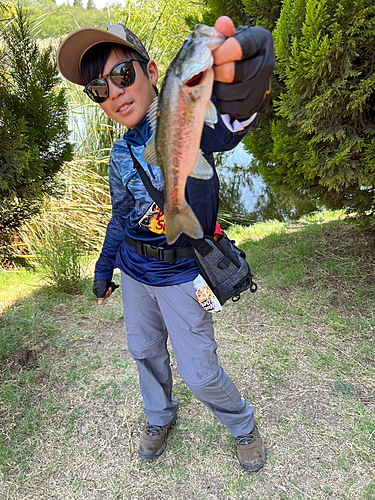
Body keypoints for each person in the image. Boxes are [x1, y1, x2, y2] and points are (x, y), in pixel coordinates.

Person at [57, 16, 274, 471]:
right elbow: (119, 219)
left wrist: (244, 84)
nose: (114, 92)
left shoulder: (188, 114)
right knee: (144, 352)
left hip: (184, 277)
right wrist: (103, 272)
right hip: (136, 273)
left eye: (122, 75)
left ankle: (242, 425)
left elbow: (227, 125)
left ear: (152, 72)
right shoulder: (118, 154)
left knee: (199, 371)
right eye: (99, 89)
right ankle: (159, 417)